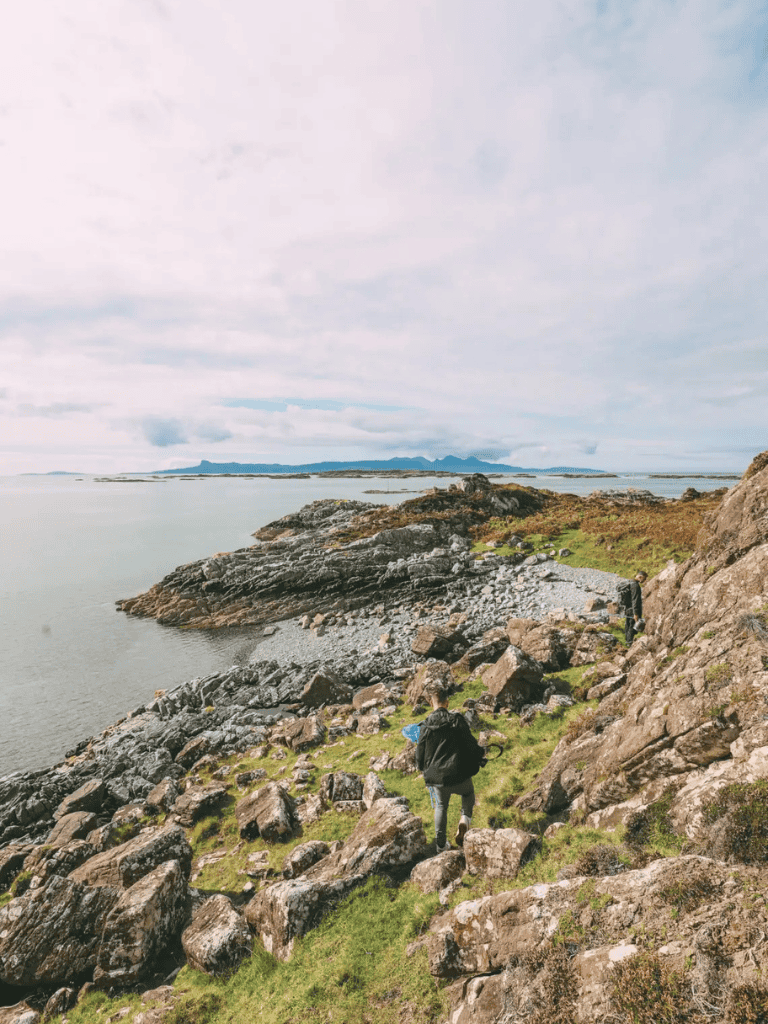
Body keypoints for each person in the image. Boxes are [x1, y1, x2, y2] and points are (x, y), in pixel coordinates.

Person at [415, 679, 485, 852]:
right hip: (458, 773)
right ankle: (464, 820)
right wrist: (480, 755)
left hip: (437, 778)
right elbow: (470, 744)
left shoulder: (425, 726)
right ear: (447, 702)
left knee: (441, 806)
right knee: (468, 793)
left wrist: (421, 767)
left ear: (432, 702)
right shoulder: (456, 720)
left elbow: (419, 754)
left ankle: (440, 845)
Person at [619, 570, 647, 645]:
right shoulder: (635, 586)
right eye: (644, 579)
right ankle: (629, 642)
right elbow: (635, 600)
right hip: (632, 609)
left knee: (627, 624)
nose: (644, 581)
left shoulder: (629, 582)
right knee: (632, 625)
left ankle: (627, 640)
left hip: (626, 608)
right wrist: (636, 613)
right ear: (640, 577)